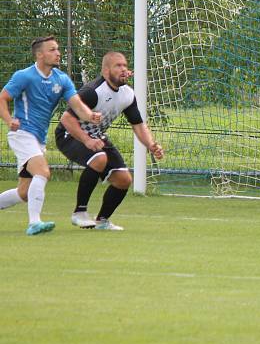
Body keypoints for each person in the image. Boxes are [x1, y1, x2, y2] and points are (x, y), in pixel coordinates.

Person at [0, 36, 102, 235]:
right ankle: (34, 223)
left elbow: (77, 105)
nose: (58, 53)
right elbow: (2, 98)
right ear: (40, 54)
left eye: (58, 49)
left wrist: (90, 116)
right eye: (53, 49)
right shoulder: (25, 76)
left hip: (38, 139)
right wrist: (8, 120)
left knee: (24, 193)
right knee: (43, 172)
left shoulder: (61, 79)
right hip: (22, 134)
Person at [55, 51, 164, 231]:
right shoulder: (92, 92)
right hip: (69, 135)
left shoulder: (128, 94)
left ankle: (102, 221)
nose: (123, 69)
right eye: (118, 66)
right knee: (99, 158)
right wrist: (87, 140)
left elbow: (138, 124)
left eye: (125, 65)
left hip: (96, 135)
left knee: (123, 179)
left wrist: (151, 145)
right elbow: (66, 120)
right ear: (106, 71)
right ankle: (79, 213)